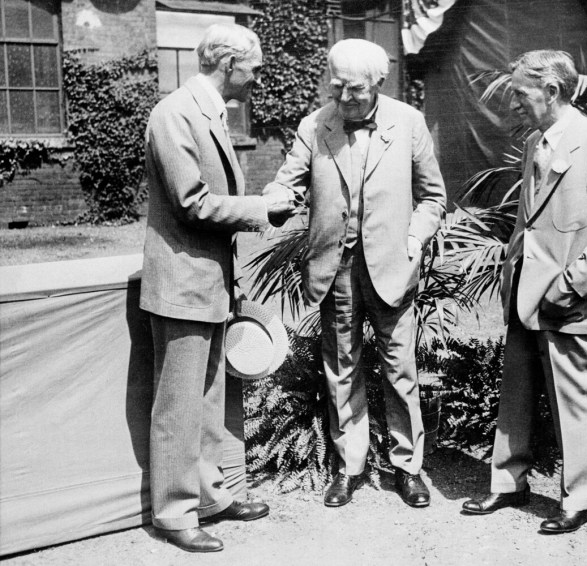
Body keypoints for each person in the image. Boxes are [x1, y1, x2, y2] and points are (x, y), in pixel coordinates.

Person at [461, 50, 587, 533]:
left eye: (521, 94)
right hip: (525, 293)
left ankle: (581, 498)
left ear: (553, 91)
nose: (514, 103)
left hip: (567, 298)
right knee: (515, 395)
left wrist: (571, 285)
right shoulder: (535, 143)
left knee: (574, 397)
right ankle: (507, 483)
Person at [263, 39, 446, 508]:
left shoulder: (408, 122)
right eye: (338, 87)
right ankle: (349, 467)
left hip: (392, 267)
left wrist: (413, 239)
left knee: (400, 370)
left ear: (380, 85)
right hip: (335, 269)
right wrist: (274, 197)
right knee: (341, 367)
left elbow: (433, 197)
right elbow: (288, 181)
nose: (345, 99)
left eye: (356, 91)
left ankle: (408, 467)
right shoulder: (315, 124)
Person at [140, 23, 296, 553]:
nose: (256, 79)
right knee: (180, 403)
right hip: (183, 282)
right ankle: (174, 513)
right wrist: (262, 208)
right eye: (252, 68)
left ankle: (209, 496)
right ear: (228, 63)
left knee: (207, 397)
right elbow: (192, 201)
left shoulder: (206, 111)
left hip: (206, 280)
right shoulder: (174, 114)